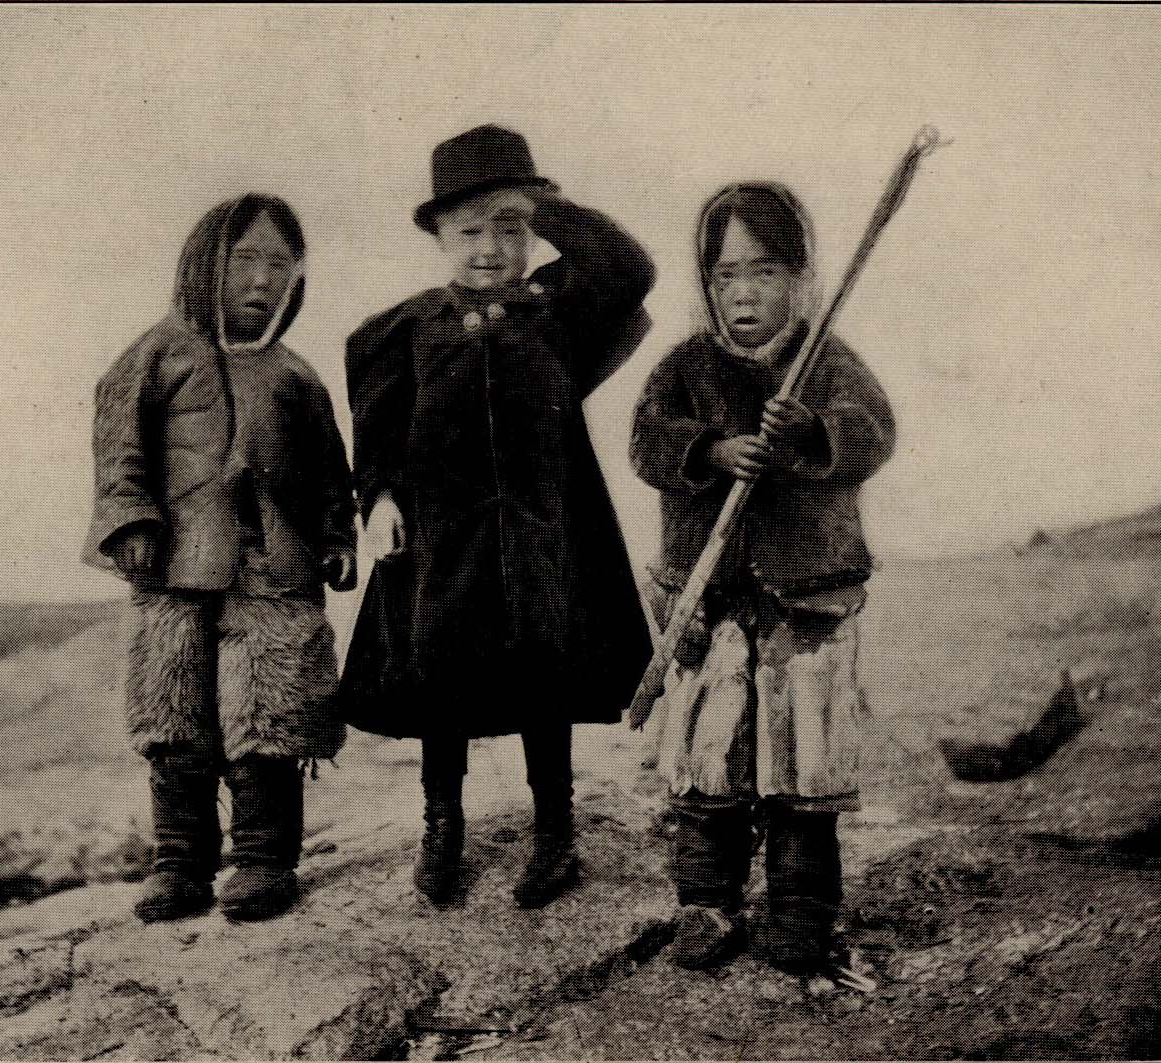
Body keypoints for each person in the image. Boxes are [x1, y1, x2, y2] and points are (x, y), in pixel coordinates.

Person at [341, 124, 654, 910]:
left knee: (543, 676)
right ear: (440, 236)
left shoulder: (559, 311)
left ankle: (555, 833)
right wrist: (377, 501)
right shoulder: (402, 331)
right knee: (443, 679)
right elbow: (376, 436)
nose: (490, 246)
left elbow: (630, 269)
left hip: (546, 532)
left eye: (508, 227)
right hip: (442, 541)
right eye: (470, 229)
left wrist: (550, 208)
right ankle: (441, 823)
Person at [629, 182, 896, 973]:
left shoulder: (828, 363)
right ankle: (705, 905)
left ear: (802, 277)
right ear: (706, 283)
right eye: (726, 276)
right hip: (708, 600)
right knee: (708, 758)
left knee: (804, 768)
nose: (743, 294)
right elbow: (646, 442)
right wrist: (710, 450)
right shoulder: (683, 368)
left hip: (805, 601)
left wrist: (813, 430)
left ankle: (801, 912)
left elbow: (874, 432)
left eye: (766, 273)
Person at [82, 194, 357, 924]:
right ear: (208, 261)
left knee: (270, 711)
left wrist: (335, 537)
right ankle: (179, 862)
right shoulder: (155, 354)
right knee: (175, 714)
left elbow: (331, 471)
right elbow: (120, 450)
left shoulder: (295, 375)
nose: (261, 280)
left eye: (278, 264)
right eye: (245, 261)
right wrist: (130, 521)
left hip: (273, 570)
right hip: (172, 568)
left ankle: (265, 859)